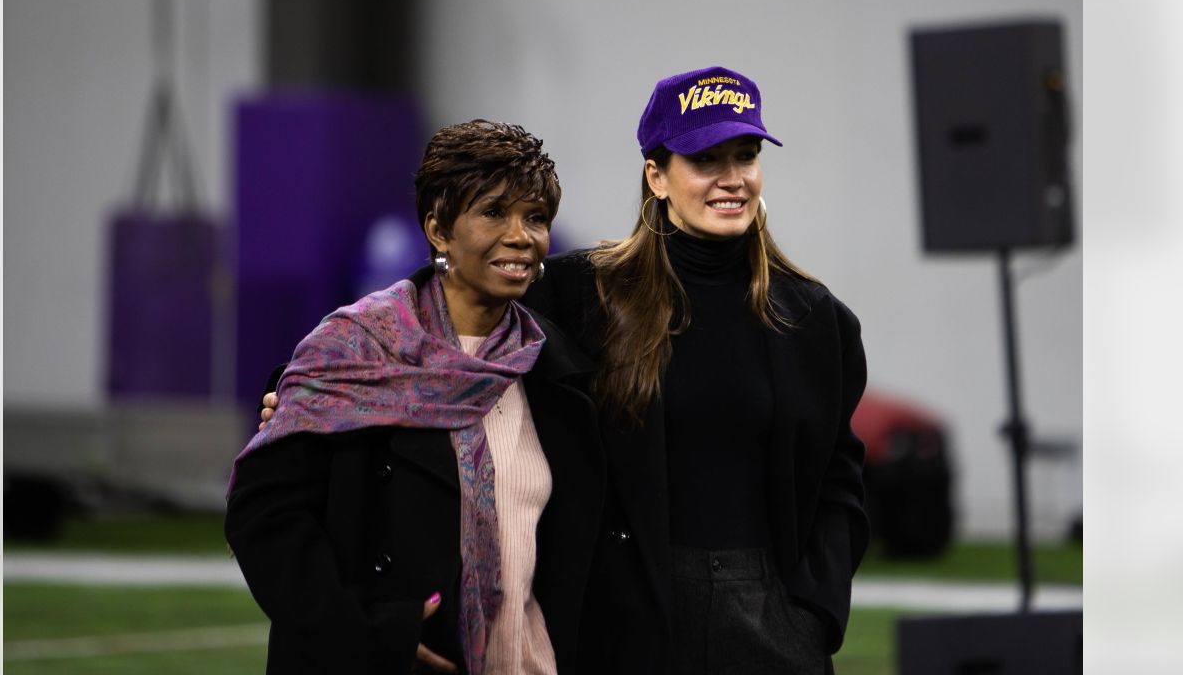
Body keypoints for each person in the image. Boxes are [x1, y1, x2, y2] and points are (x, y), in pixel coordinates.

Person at [260, 67, 869, 675]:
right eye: (706, 159)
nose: (731, 178)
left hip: (771, 629)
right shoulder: (582, 294)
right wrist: (298, 393)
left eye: (746, 155)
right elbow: (433, 328)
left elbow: (838, 483)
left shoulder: (818, 321)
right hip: (625, 624)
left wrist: (813, 613)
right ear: (656, 176)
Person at [226, 120, 605, 675]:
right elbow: (265, 519)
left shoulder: (552, 366)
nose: (521, 235)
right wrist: (366, 637)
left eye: (536, 218)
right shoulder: (354, 351)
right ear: (439, 228)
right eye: (494, 212)